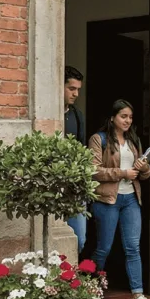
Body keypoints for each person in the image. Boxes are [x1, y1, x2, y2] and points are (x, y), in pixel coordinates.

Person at [88, 99, 150, 299]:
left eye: (130, 117)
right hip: (107, 199)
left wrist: (143, 168)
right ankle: (92, 291)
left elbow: (144, 175)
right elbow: (92, 170)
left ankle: (138, 296)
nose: (127, 121)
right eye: (123, 116)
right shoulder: (99, 139)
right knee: (104, 247)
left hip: (131, 199)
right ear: (112, 118)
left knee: (133, 247)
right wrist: (122, 173)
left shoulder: (133, 141)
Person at [63, 66, 88, 256]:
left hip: (74, 185)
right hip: (53, 183)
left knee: (79, 238)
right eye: (71, 89)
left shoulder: (77, 116)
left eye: (78, 89)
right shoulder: (50, 116)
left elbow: (81, 150)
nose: (76, 94)